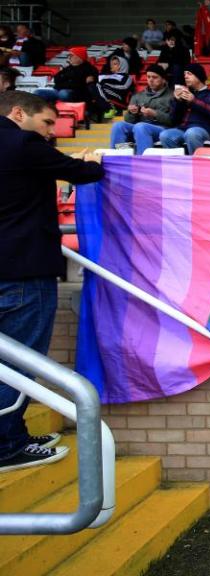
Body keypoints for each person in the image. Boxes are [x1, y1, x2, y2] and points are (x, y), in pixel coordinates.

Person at [0, 90, 103, 474]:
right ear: (17, 113)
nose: (48, 132)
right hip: (22, 271)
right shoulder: (22, 142)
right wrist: (92, 160)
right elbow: (86, 173)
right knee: (19, 361)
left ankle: (15, 433)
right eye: (45, 122)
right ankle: (7, 446)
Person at [160, 63, 210, 154]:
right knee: (165, 135)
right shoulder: (185, 94)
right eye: (184, 74)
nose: (186, 77)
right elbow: (173, 120)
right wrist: (177, 101)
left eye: (189, 74)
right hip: (184, 129)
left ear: (199, 76)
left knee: (192, 133)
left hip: (208, 130)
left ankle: (196, 165)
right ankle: (180, 164)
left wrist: (195, 101)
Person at [109, 64, 175, 154]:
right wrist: (131, 113)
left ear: (163, 79)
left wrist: (155, 114)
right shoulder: (138, 96)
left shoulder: (172, 96)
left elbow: (174, 120)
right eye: (148, 77)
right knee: (118, 125)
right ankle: (117, 159)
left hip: (163, 129)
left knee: (140, 126)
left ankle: (143, 162)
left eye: (154, 77)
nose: (151, 80)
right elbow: (128, 121)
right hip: (139, 129)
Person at [90, 55, 133, 120]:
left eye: (115, 64)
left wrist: (107, 85)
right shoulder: (110, 75)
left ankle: (109, 108)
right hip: (106, 92)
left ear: (122, 65)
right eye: (111, 64)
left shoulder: (127, 76)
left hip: (120, 97)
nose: (112, 66)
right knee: (90, 88)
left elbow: (124, 87)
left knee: (97, 86)